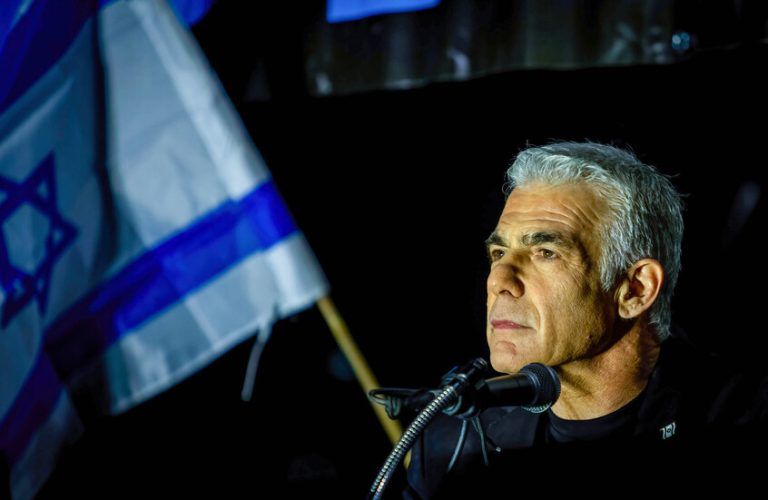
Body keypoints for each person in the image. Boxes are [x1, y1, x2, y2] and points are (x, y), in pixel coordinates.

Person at [404, 142, 768, 498]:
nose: (499, 280)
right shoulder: (451, 445)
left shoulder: (743, 415)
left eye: (545, 252)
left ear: (635, 289)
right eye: (499, 253)